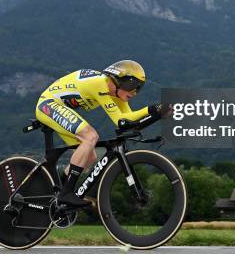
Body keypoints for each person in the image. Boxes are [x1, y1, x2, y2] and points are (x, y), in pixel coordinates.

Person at [35, 60, 166, 207]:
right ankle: (66, 193)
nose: (134, 92)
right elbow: (120, 121)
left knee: (90, 157)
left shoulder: (115, 93)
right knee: (90, 137)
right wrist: (154, 109)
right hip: (48, 105)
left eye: (138, 88)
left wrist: (158, 113)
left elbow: (128, 120)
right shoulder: (100, 84)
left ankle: (58, 192)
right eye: (132, 86)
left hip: (58, 107)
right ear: (117, 80)